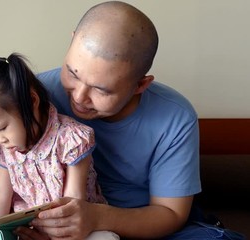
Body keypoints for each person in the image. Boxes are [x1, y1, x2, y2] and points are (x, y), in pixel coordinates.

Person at [15, 1, 245, 240]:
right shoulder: (37, 96)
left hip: (144, 227)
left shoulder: (175, 118)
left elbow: (170, 213)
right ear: (72, 41)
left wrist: (96, 218)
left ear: (140, 85)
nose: (80, 97)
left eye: (101, 90)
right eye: (73, 73)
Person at [0, 53, 118, 240]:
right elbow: (1, 194)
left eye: (2, 128)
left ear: (31, 102)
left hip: (74, 225)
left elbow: (73, 200)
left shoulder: (70, 138)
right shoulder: (6, 148)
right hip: (31, 228)